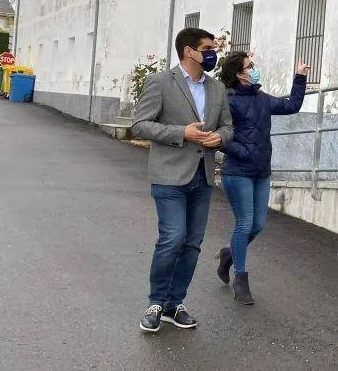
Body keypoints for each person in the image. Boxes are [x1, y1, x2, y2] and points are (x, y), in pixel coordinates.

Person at [131, 28, 233, 333]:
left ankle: (175, 304)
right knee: (172, 239)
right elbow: (139, 124)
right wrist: (180, 133)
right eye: (208, 48)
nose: (213, 53)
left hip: (202, 177)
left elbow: (229, 126)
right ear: (189, 51)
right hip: (169, 175)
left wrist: (220, 137)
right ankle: (155, 303)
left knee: (192, 244)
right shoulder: (161, 82)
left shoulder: (217, 89)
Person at [214, 51, 307, 304]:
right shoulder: (228, 101)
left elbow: (291, 106)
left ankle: (229, 254)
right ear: (239, 74)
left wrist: (300, 77)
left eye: (253, 64)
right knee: (244, 223)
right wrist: (243, 151)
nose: (254, 69)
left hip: (261, 172)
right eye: (249, 66)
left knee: (258, 225)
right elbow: (217, 135)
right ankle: (240, 280)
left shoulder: (262, 98)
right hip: (237, 172)